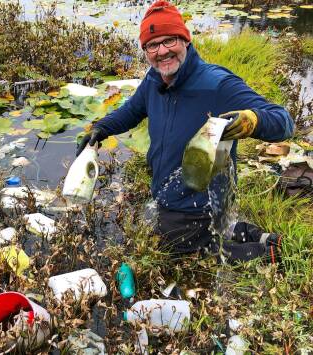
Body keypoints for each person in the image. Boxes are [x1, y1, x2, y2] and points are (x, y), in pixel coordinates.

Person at [77, 1, 294, 263]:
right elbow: (132, 110)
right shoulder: (154, 79)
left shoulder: (217, 84)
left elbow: (284, 122)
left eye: (170, 41)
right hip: (172, 195)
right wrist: (101, 129)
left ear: (185, 40)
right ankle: (248, 232)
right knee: (167, 229)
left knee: (171, 250)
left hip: (198, 203)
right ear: (145, 50)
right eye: (153, 45)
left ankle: (265, 253)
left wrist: (253, 120)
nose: (162, 52)